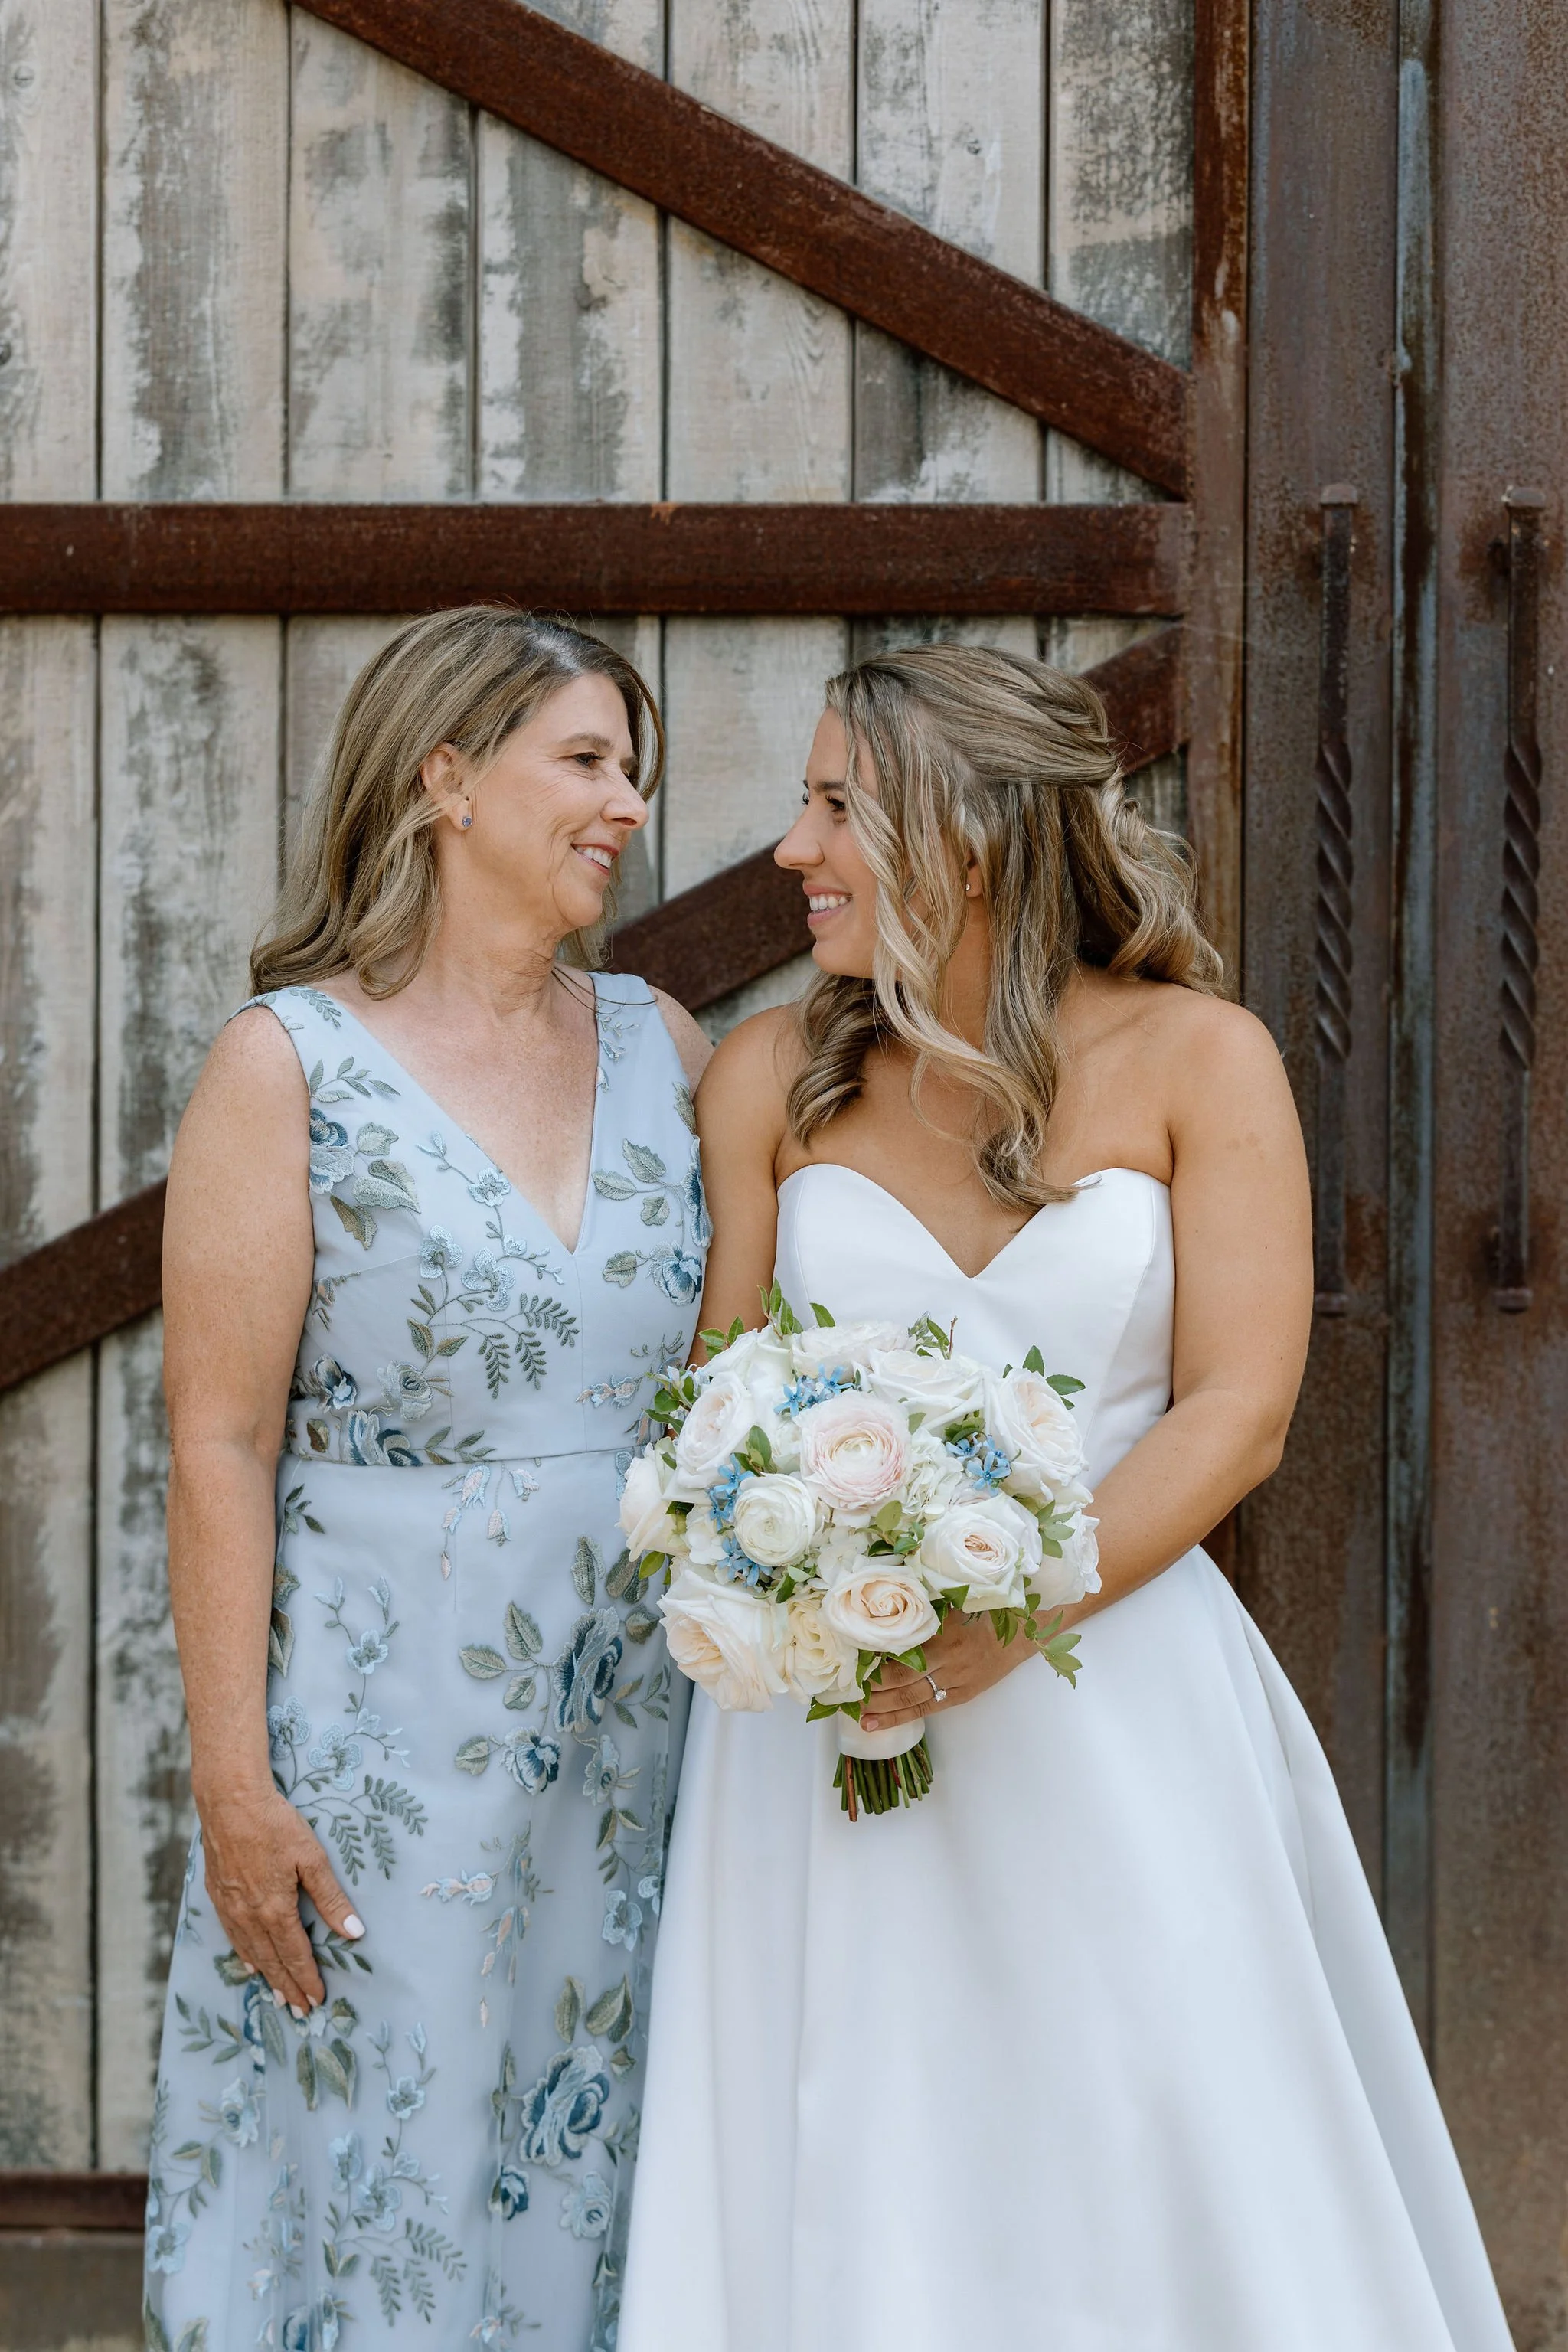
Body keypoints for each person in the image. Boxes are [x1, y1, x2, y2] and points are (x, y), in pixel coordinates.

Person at [619, 645, 1513, 2352]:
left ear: (965, 835)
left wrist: (1006, 1618)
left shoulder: (1201, 1055)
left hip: (1122, 1703)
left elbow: (1237, 1410)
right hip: (832, 1723)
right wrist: (793, 1580)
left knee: (1145, 2116)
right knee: (859, 2131)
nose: (793, 851)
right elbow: (718, 1406)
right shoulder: (767, 1080)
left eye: (833, 807)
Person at [144, 608, 710, 2352]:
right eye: (586, 761)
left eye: (635, 770)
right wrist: (236, 1783)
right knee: (377, 2148)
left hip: (632, 1741)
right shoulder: (287, 1065)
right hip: (380, 1732)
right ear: (445, 780)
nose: (626, 805)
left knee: (596, 2137)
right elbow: (218, 1442)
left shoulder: (667, 1047)